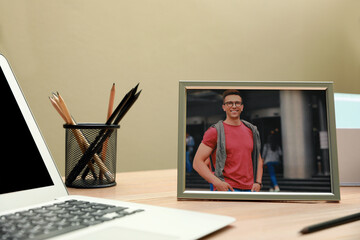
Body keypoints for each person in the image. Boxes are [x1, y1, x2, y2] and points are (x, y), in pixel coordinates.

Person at [193, 89, 263, 192]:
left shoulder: (251, 130)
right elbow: (197, 162)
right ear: (224, 107)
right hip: (228, 189)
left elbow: (258, 159)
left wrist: (258, 182)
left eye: (237, 103)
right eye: (229, 103)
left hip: (250, 190)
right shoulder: (214, 131)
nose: (234, 106)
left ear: (242, 107)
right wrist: (217, 183)